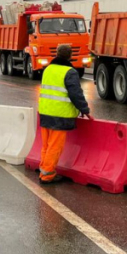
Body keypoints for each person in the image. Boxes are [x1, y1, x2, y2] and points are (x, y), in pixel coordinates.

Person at [37, 43, 92, 185]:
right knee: (55, 147)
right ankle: (47, 175)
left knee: (46, 145)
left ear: (57, 53)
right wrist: (85, 110)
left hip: (45, 112)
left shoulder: (48, 69)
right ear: (70, 56)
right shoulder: (70, 72)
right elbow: (76, 94)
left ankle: (44, 169)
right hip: (59, 115)